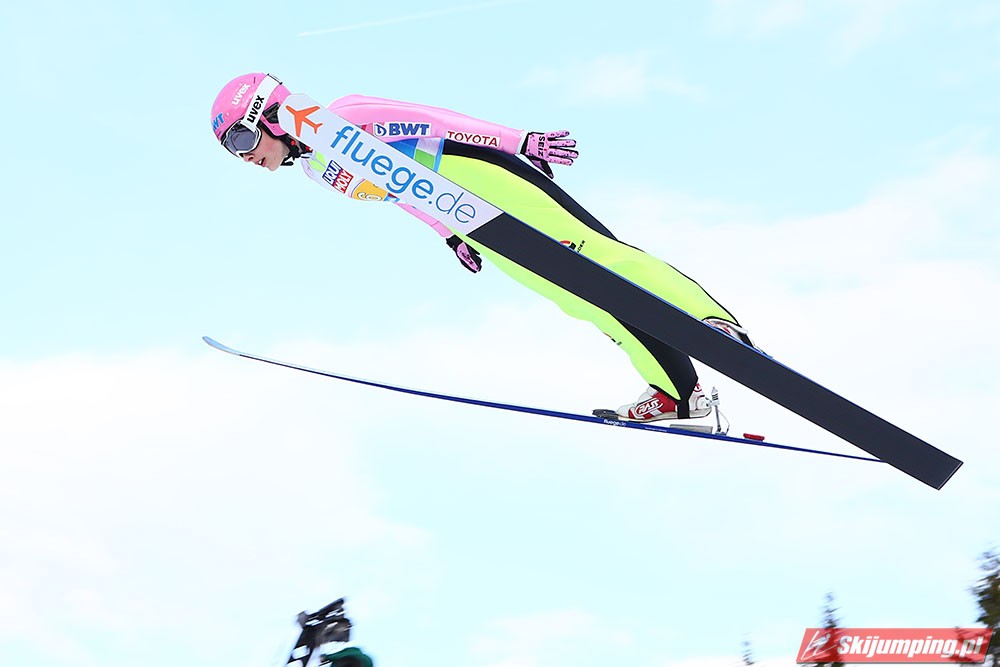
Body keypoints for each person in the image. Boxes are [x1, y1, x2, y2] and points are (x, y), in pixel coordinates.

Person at [210, 73, 756, 422]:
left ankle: (711, 321)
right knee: (579, 295)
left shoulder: (344, 116)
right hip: (465, 215)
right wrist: (447, 232)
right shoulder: (317, 169)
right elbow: (398, 190)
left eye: (241, 138)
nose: (245, 156)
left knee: (595, 255)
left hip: (482, 175)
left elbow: (435, 123)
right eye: (232, 151)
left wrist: (518, 141)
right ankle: (677, 393)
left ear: (267, 114)